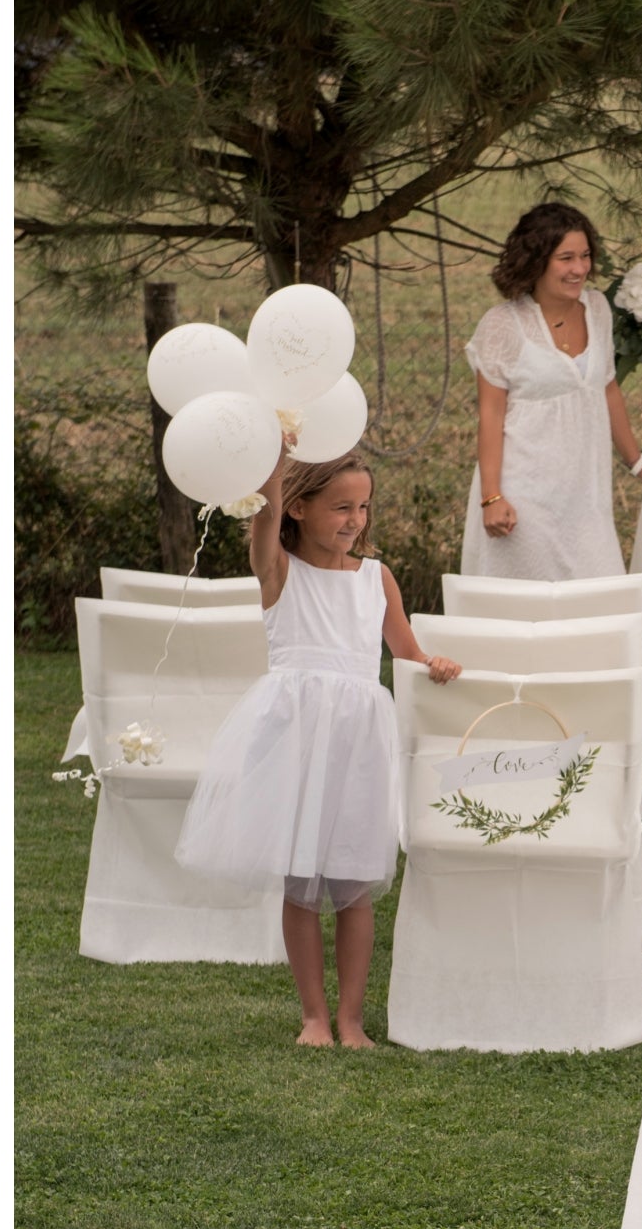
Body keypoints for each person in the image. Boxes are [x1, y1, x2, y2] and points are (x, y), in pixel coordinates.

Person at [177, 449, 461, 1049]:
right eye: (340, 507)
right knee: (300, 879)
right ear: (299, 508)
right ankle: (313, 1016)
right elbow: (262, 521)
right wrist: (274, 461)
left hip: (359, 742)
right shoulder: (278, 570)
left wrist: (430, 661)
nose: (355, 519)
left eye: (363, 506)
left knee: (355, 880)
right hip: (296, 740)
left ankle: (352, 1019)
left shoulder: (375, 578)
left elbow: (404, 650)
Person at [461, 199, 642, 807]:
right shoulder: (503, 326)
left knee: (614, 628)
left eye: (585, 255)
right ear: (536, 261)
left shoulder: (598, 310)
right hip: (522, 501)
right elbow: (490, 416)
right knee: (522, 636)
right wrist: (492, 496)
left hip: (584, 505)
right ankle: (512, 764)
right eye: (566, 257)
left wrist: (639, 461)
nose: (579, 268)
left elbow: (606, 387)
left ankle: (638, 766)